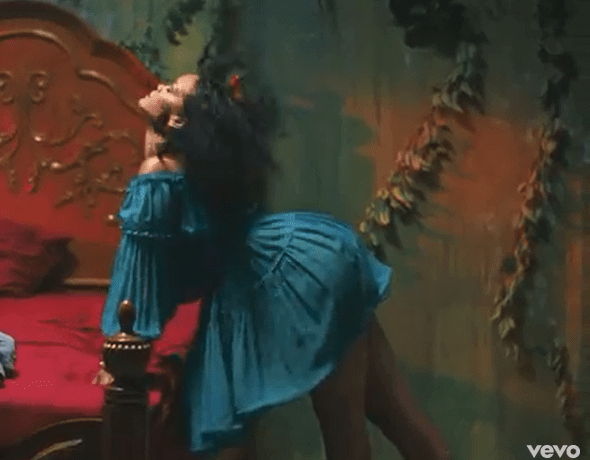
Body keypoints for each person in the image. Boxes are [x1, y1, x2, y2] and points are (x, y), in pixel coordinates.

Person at [96, 49, 451, 460]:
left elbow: (141, 272)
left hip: (290, 272)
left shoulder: (157, 175)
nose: (160, 86)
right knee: (391, 415)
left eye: (172, 90)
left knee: (346, 423)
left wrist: (122, 349)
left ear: (177, 121)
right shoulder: (198, 167)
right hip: (311, 255)